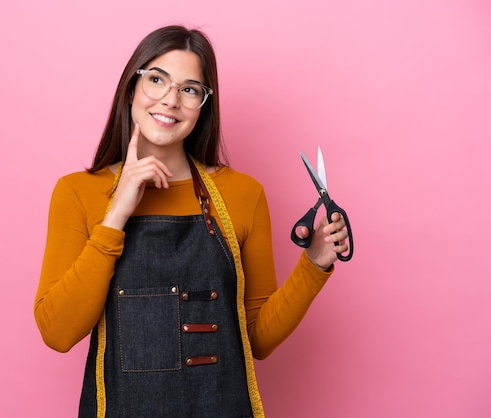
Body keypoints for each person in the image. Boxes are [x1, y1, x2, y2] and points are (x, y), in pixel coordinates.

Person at [34, 25, 349, 417]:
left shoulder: (243, 194)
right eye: (156, 80)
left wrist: (314, 264)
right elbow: (58, 333)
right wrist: (115, 215)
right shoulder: (78, 192)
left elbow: (256, 340)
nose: (170, 100)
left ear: (203, 105)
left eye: (189, 89)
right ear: (131, 87)